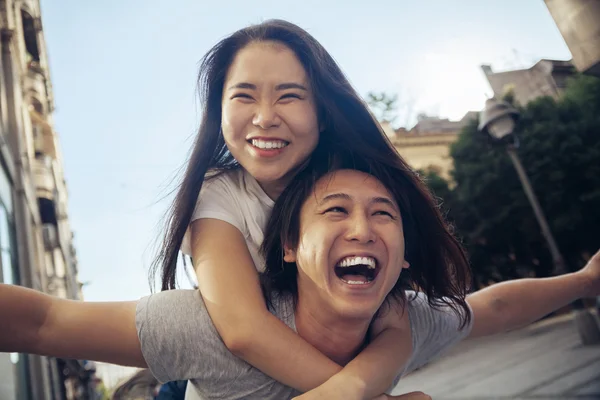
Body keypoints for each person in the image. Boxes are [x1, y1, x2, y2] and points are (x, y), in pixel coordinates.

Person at [2, 163, 599, 399]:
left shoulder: (409, 320)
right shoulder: (201, 325)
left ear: (405, 254)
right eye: (335, 210)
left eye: (384, 214)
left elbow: (488, 310)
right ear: (288, 248)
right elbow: (45, 320)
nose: (363, 228)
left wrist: (583, 279)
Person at [154, 18, 427, 398]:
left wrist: (354, 388)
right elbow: (243, 330)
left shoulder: (359, 187)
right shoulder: (218, 194)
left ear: (322, 112)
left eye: (289, 96)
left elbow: (396, 325)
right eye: (244, 96)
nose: (265, 118)